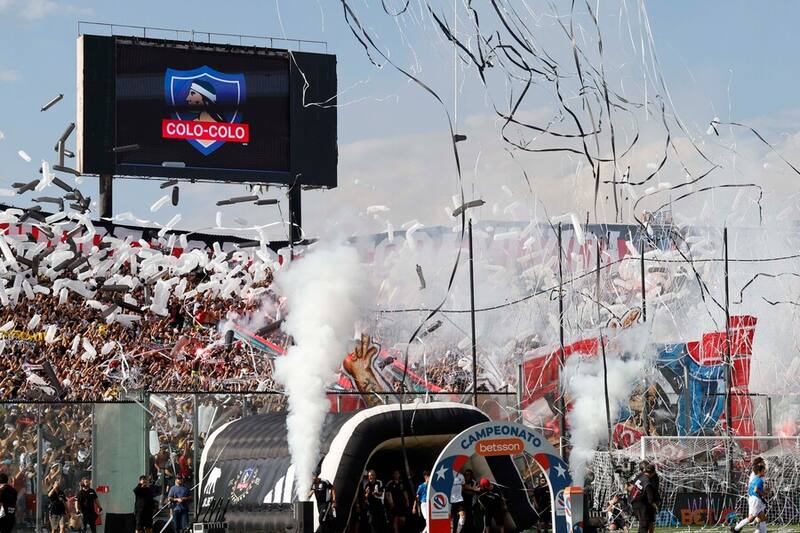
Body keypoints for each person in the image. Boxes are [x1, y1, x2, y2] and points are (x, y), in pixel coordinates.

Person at [731, 462, 768, 533]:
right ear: (759, 472)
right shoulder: (759, 480)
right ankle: (736, 529)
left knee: (762, 518)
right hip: (756, 499)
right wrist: (764, 493)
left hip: (753, 499)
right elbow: (756, 490)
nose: (764, 472)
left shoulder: (754, 479)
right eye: (763, 470)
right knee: (751, 518)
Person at [630, 463, 659, 533]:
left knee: (643, 524)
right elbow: (650, 499)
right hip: (641, 505)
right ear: (653, 472)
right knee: (644, 525)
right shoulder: (648, 483)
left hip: (633, 502)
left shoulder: (640, 477)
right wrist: (656, 506)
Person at [451, 469, 466, 533]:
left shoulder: (461, 476)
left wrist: (459, 493)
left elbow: (463, 485)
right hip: (451, 501)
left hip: (460, 499)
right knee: (454, 518)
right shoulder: (449, 475)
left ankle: (459, 531)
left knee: (462, 516)